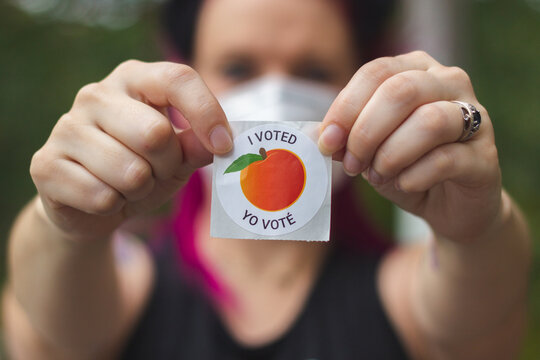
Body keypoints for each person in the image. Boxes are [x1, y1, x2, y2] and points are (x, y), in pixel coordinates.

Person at [2, 0, 531, 359]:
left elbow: (485, 313)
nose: (276, 94)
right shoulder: (126, 279)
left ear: (363, 84)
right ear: (181, 77)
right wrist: (65, 224)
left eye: (314, 71)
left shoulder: (404, 291)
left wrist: (478, 228)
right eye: (237, 67)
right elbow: (46, 322)